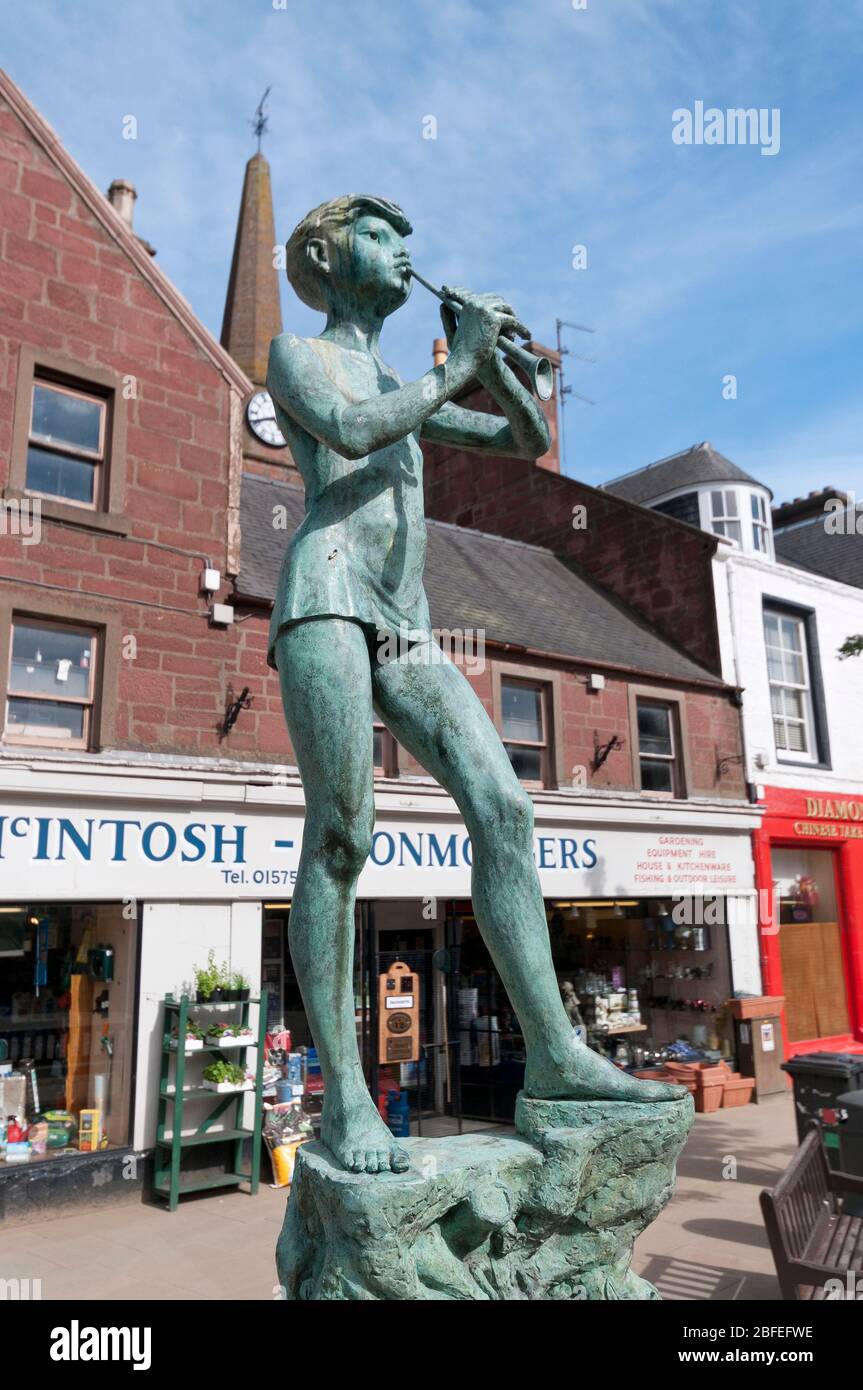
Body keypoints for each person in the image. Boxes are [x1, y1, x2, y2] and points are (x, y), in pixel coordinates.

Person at [267, 194, 681, 1175]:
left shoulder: (407, 377)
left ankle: (554, 1057)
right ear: (324, 256)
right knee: (339, 834)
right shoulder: (300, 354)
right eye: (378, 235)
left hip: (406, 624)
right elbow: (353, 429)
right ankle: (349, 1106)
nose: (402, 251)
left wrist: (496, 358)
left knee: (502, 807)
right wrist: (450, 370)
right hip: (323, 599)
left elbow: (520, 439)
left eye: (407, 238)